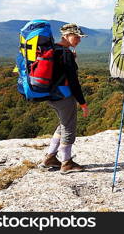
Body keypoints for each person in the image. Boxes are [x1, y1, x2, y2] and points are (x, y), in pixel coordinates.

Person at [40, 23, 89, 174]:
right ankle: (66, 163)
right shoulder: (65, 53)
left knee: (63, 124)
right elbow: (74, 82)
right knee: (68, 127)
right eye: (76, 37)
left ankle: (50, 157)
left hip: (49, 95)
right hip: (63, 96)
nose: (79, 40)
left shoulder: (52, 49)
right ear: (66, 36)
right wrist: (83, 103)